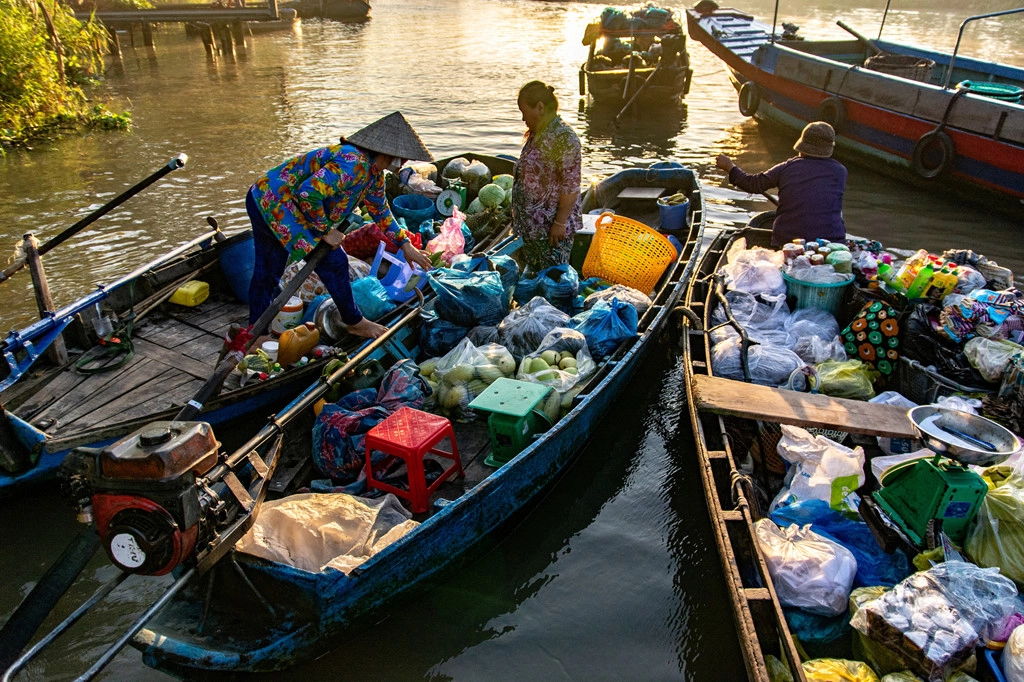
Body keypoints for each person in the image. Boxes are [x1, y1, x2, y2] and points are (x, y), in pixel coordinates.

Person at [246, 111, 434, 339]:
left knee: (268, 272)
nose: (404, 163)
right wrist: (325, 231)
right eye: (402, 157)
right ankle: (354, 321)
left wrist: (405, 244)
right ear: (389, 152)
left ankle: (253, 333)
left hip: (274, 200)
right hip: (275, 201)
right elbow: (308, 194)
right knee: (332, 261)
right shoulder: (353, 162)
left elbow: (380, 210)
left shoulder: (374, 175)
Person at [716, 121, 847, 247]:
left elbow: (753, 184)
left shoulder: (787, 168)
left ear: (801, 147)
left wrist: (730, 167)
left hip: (789, 240)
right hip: (832, 241)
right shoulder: (841, 171)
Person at [510, 81, 583, 274]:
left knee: (553, 281)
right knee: (535, 279)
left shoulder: (564, 138)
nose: (523, 118)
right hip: (532, 229)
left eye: (525, 111)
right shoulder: (538, 134)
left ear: (540, 107)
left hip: (550, 232)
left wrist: (559, 223)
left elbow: (571, 186)